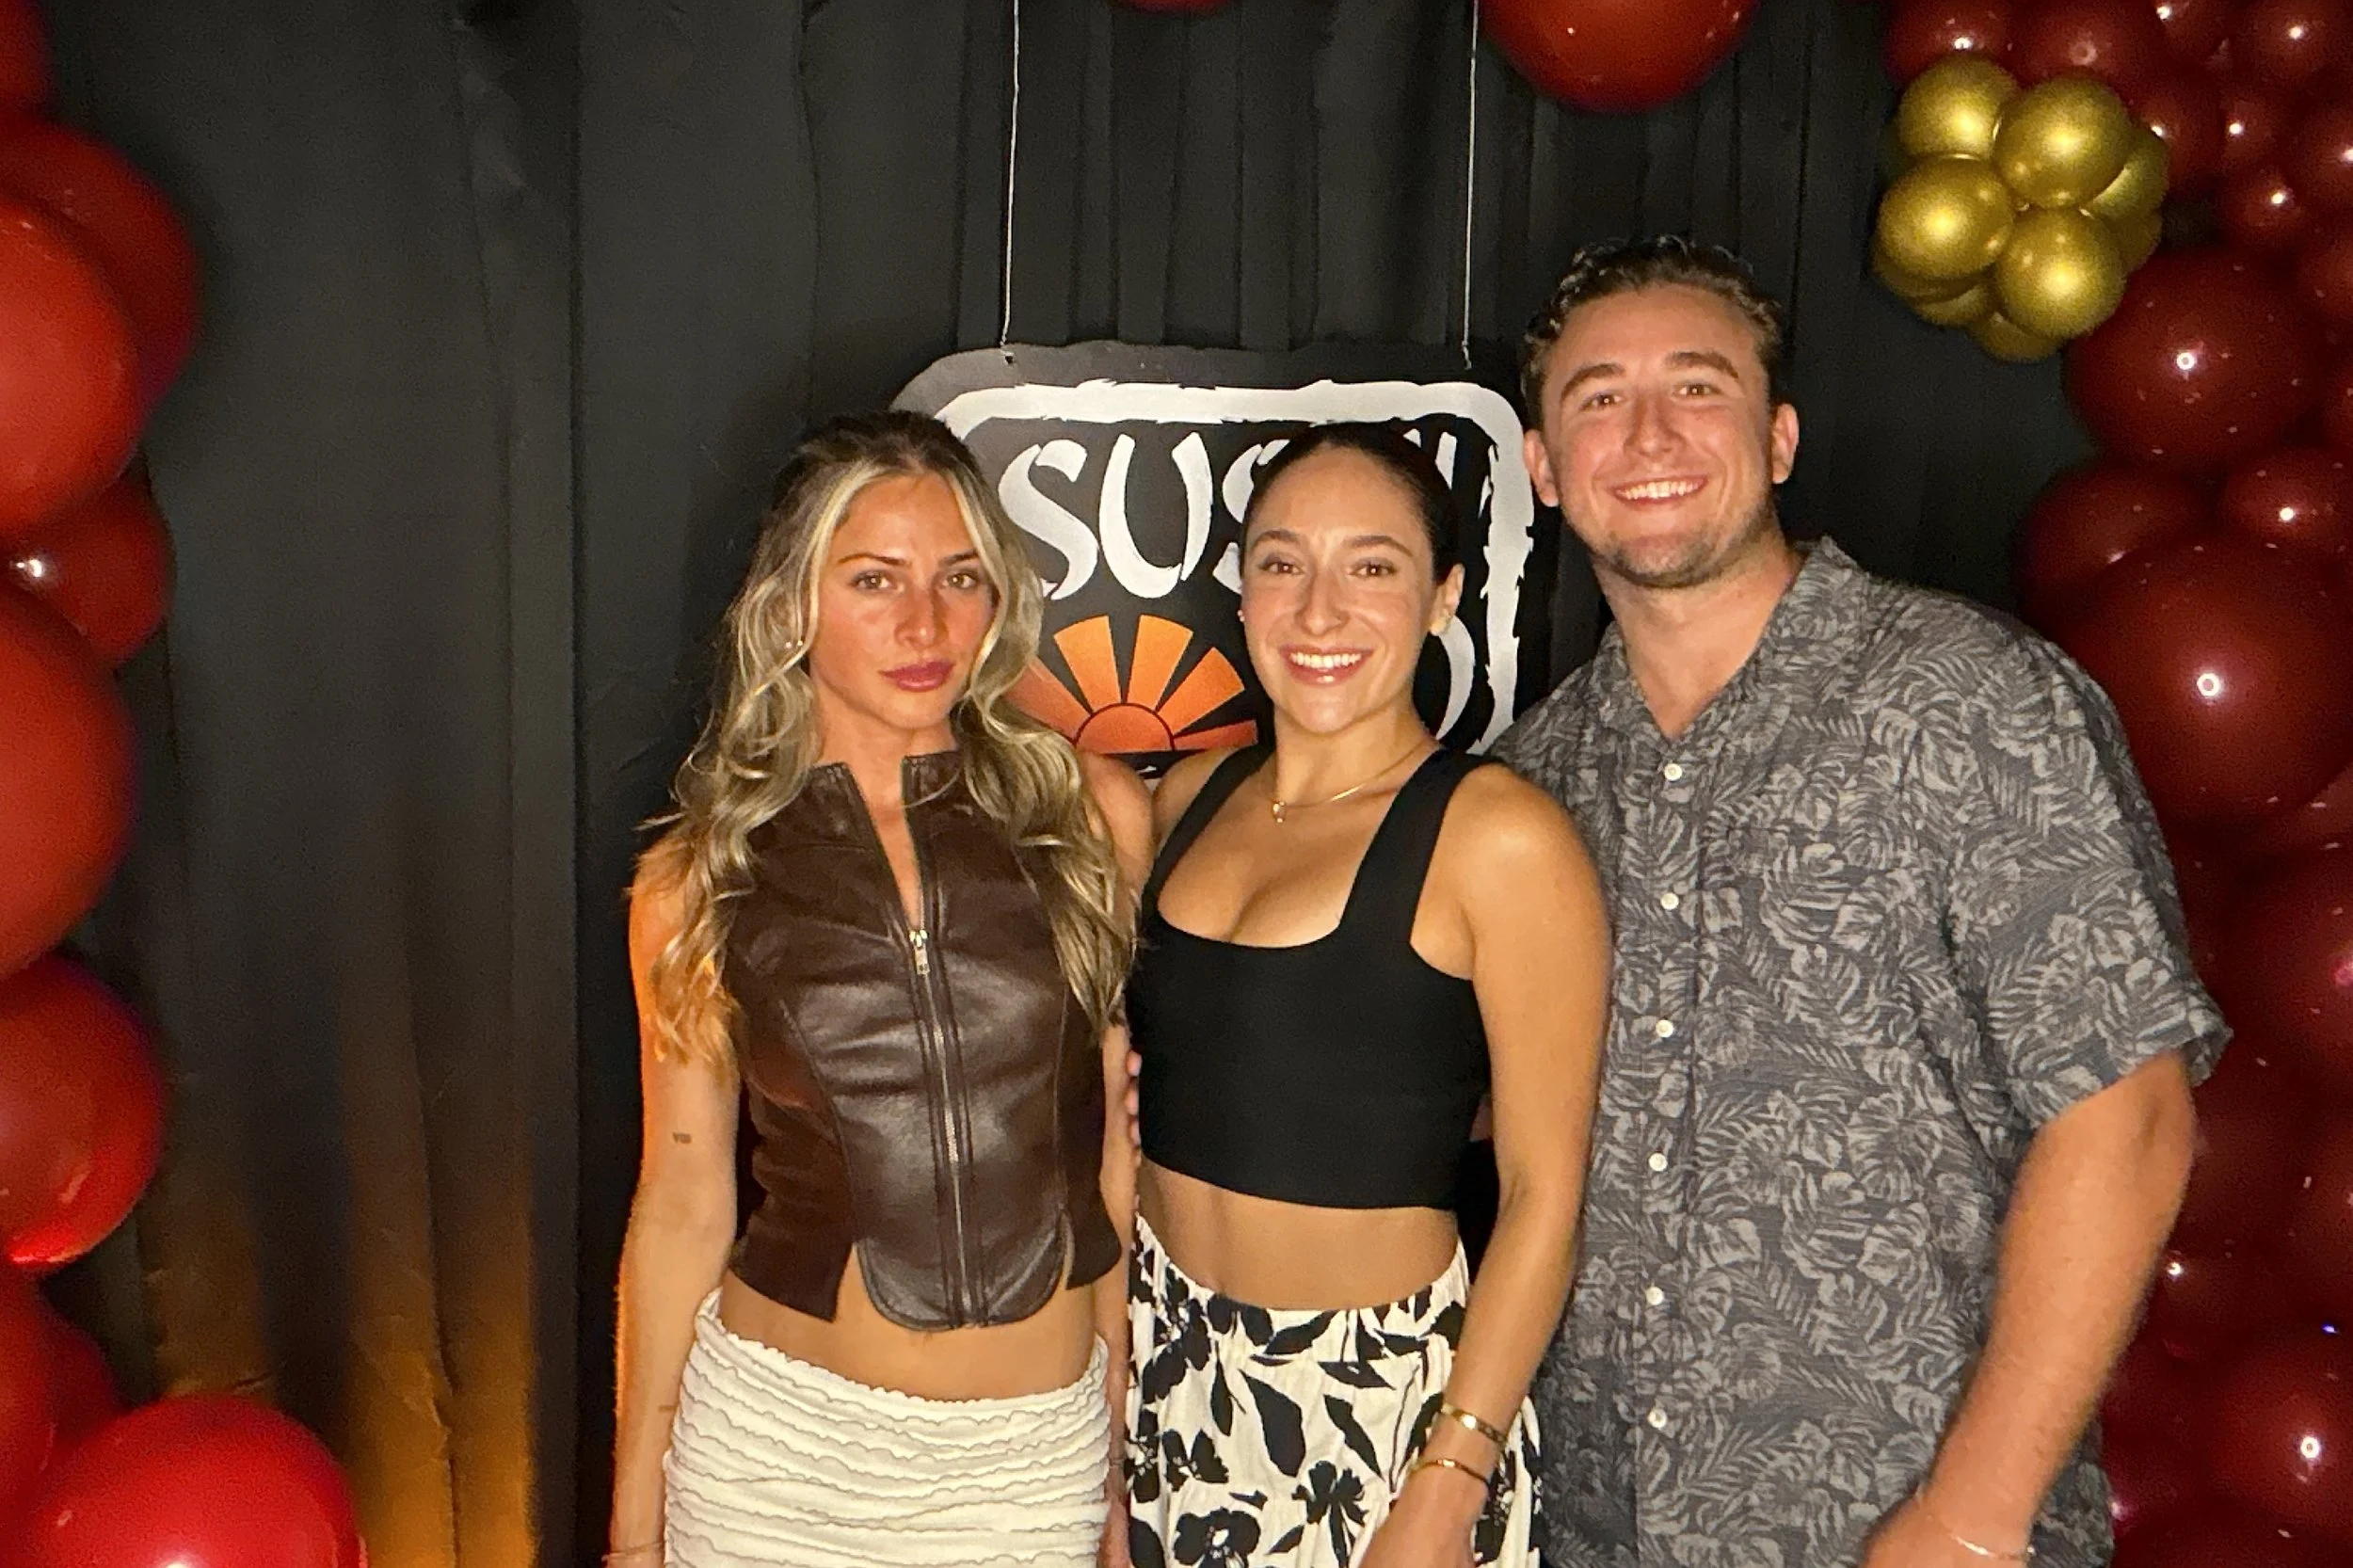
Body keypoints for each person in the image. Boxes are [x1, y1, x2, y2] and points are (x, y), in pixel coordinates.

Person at [1492, 237, 2225, 1568]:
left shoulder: (1965, 698)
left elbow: (2125, 1115)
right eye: (1598, 398)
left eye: (1696, 386)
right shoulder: (1534, 781)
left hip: (1912, 1524)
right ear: (1544, 465)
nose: (1647, 434)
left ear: (1777, 438)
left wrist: (1970, 1517)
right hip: (1594, 1526)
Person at [609, 410, 1152, 1568]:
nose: (924, 624)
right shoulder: (698, 879)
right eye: (874, 580)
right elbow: (683, 1203)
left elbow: (1108, 1166)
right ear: (791, 606)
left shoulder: (1088, 818)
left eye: (960, 577)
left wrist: (1110, 1470)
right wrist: (633, 1535)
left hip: (1024, 1469)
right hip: (778, 1458)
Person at [1124, 422, 1612, 1568]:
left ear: (1443, 597)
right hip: (1160, 1367)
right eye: (1282, 563)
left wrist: (1452, 1479)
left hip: (1372, 1407)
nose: (1319, 611)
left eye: (1372, 567)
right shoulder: (1186, 798)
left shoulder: (1499, 837)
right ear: (1243, 590)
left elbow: (1543, 1192)